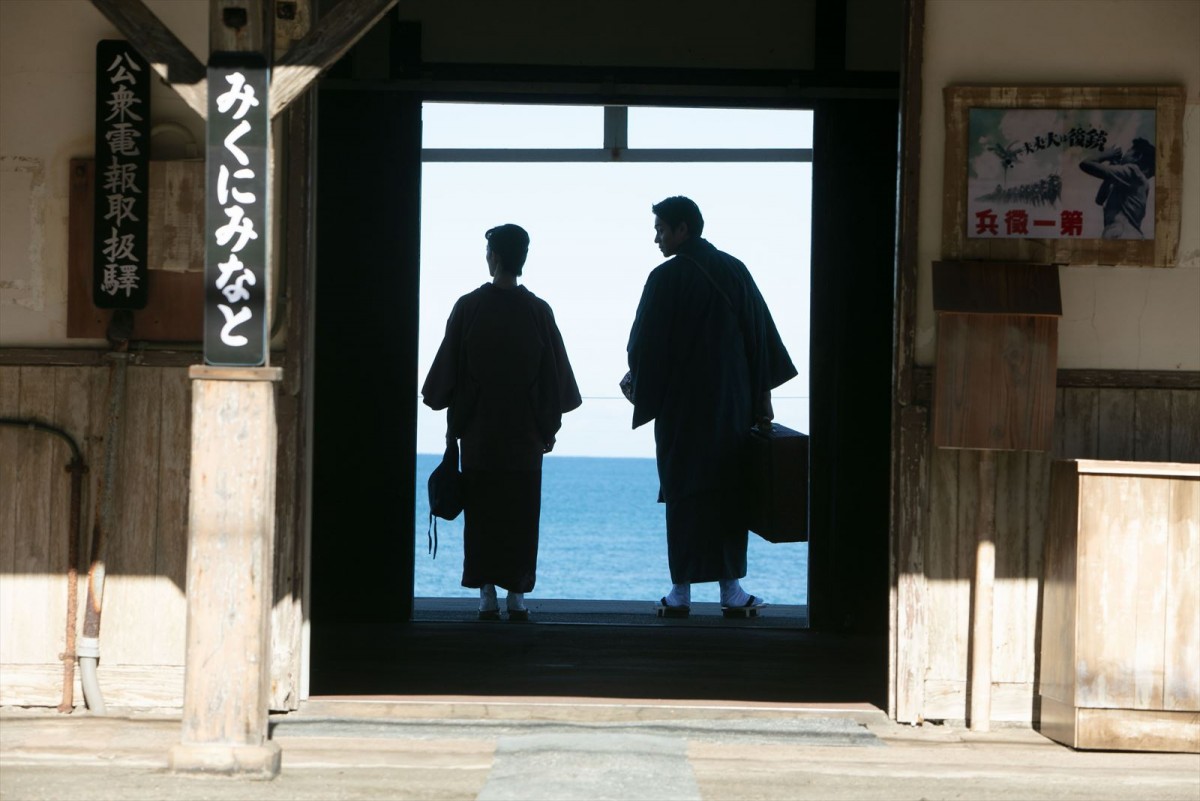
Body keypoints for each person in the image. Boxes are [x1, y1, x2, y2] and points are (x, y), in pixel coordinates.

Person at [625, 196, 797, 617]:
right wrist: (761, 398)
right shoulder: (734, 270)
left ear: (683, 230)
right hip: (730, 404)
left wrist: (639, 382)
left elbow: (643, 344)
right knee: (729, 491)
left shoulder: (664, 278)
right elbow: (760, 338)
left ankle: (679, 590)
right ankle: (731, 590)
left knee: (683, 490)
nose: (656, 238)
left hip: (680, 407)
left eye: (661, 229)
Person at [422, 224, 581, 621]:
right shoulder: (538, 311)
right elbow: (554, 377)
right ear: (522, 258)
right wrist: (548, 428)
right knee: (521, 514)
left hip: (479, 433)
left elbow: (446, 372)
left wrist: (447, 408)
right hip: (525, 436)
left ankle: (486, 594)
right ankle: (517, 595)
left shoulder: (469, 306)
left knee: (483, 517)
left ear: (492, 256)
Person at [1078, 137, 1155, 239]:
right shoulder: (1136, 181)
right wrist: (1113, 166)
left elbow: (1086, 164)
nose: (1124, 155)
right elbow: (1100, 200)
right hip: (1128, 233)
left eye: (1128, 151)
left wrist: (1107, 154)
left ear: (1137, 157)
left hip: (1121, 232)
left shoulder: (1134, 172)